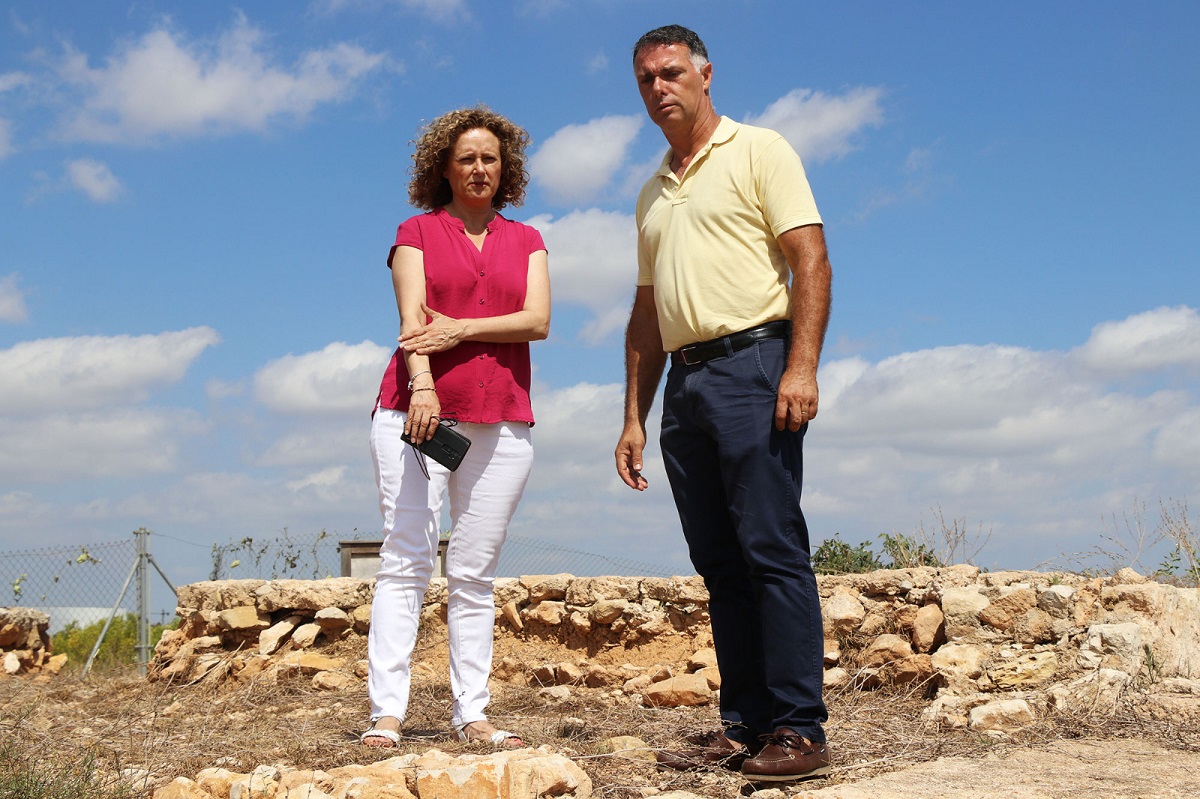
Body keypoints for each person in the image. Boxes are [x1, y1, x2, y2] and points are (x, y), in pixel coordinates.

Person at [614, 25, 832, 782]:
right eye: (645, 79)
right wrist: (634, 415)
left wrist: (801, 367)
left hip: (755, 364)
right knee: (719, 561)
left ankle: (800, 728)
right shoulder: (651, 191)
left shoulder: (760, 150)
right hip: (686, 384)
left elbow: (810, 258)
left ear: (705, 74)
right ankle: (746, 721)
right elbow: (647, 314)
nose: (659, 88)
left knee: (771, 547)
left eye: (671, 72)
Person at [361, 106, 550, 750]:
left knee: (474, 572)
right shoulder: (415, 231)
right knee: (406, 558)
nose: (478, 168)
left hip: (504, 416)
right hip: (417, 410)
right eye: (466, 158)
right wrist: (423, 385)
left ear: (505, 168)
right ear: (443, 167)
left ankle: (473, 713)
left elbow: (537, 320)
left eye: (490, 158)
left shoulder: (528, 240)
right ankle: (387, 713)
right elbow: (412, 321)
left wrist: (461, 329)